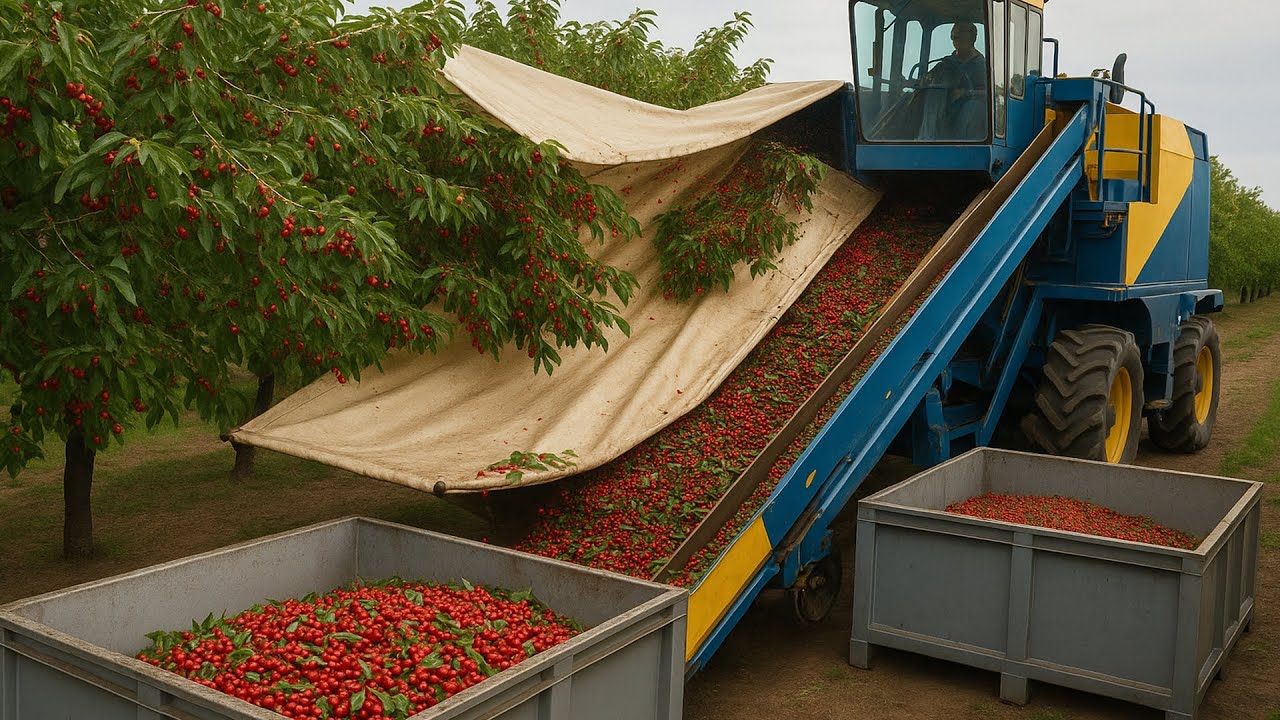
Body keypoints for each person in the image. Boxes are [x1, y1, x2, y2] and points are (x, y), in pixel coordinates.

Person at [919, 21, 988, 140]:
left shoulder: (982, 66)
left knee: (973, 107)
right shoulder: (946, 63)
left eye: (959, 37)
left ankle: (963, 145)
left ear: (972, 38)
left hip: (967, 108)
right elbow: (926, 81)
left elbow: (992, 94)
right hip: (943, 105)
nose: (955, 40)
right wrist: (924, 81)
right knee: (930, 96)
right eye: (953, 37)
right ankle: (926, 139)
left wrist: (965, 93)